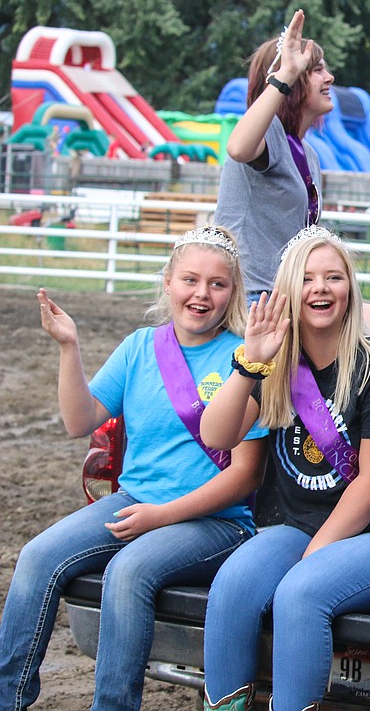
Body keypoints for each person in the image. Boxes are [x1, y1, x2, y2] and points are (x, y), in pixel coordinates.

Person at [0, 228, 267, 711]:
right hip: (134, 504)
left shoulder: (245, 359)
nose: (201, 294)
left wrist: (160, 516)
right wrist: (68, 346)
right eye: (190, 279)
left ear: (233, 293)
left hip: (215, 521)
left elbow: (245, 476)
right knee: (36, 557)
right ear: (168, 282)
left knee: (128, 571)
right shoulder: (140, 346)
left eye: (217, 284)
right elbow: (79, 421)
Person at [199, 226, 370, 711]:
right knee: (232, 586)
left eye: (333, 277)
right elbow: (216, 437)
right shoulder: (278, 365)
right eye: (307, 278)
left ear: (350, 289)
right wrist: (250, 364)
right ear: (288, 291)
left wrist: (314, 557)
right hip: (298, 528)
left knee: (300, 594)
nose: (321, 288)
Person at [215, 8, 370, 345]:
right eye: (317, 70)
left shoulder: (308, 153)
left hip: (290, 296)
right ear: (291, 81)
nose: (330, 78)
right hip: (254, 299)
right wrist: (286, 72)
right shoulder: (269, 133)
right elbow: (238, 148)